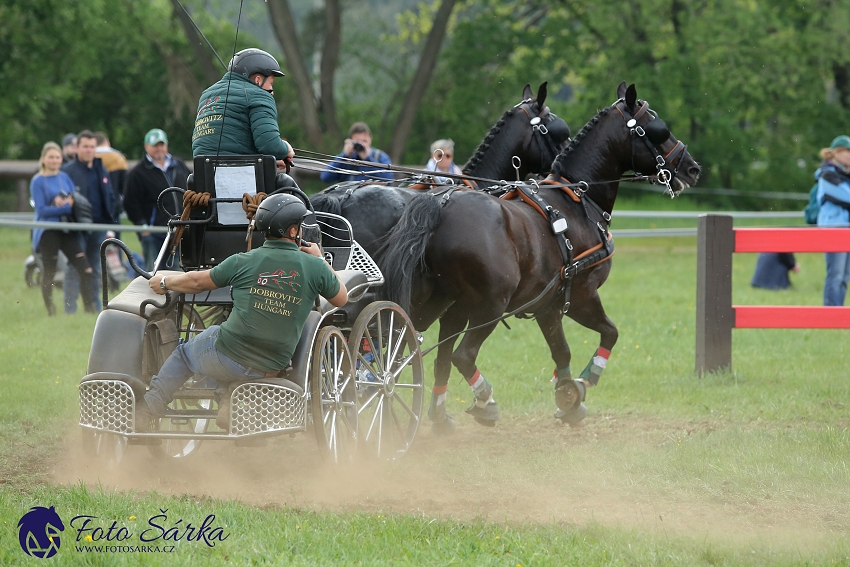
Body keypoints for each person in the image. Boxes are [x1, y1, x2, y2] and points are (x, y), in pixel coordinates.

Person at [138, 194, 349, 430]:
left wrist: (165, 281)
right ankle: (229, 397)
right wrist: (320, 258)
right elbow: (342, 297)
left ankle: (149, 407)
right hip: (270, 368)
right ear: (292, 232)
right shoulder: (314, 267)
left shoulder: (243, 261)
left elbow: (197, 282)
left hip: (227, 356)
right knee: (223, 343)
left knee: (186, 354)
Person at [191, 47, 295, 170]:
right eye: (271, 83)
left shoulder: (207, 95)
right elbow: (270, 146)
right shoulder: (259, 95)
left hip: (203, 175)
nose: (272, 91)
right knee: (287, 185)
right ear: (258, 80)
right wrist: (286, 149)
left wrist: (271, 160)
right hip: (239, 176)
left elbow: (233, 141)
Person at [30, 142, 96, 316]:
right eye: (51, 157)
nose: (54, 160)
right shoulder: (38, 181)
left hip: (66, 229)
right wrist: (62, 207)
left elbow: (74, 200)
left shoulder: (64, 177)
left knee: (86, 268)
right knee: (50, 271)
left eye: (57, 157)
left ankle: (89, 309)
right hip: (48, 230)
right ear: (44, 159)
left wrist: (68, 205)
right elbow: (42, 210)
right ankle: (50, 309)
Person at [61, 129, 117, 313]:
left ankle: (93, 306)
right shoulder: (67, 172)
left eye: (92, 147)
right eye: (85, 146)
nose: (89, 150)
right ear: (77, 148)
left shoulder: (101, 169)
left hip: (99, 225)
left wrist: (112, 217)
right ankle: (70, 309)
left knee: (95, 268)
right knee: (74, 267)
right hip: (76, 227)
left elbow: (109, 196)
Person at [124, 129, 191, 271]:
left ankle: (175, 294)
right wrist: (142, 225)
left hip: (180, 228)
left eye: (161, 144)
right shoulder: (137, 173)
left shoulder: (178, 165)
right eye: (155, 145)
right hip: (154, 232)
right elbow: (131, 202)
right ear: (146, 147)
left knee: (177, 271)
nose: (159, 148)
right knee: (152, 271)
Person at [815, 135, 850, 306]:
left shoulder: (845, 175)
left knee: (844, 276)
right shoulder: (827, 175)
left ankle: (839, 315)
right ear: (837, 153)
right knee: (835, 275)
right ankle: (831, 315)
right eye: (848, 152)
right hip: (834, 228)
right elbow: (847, 197)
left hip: (846, 229)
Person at [320, 122, 393, 184]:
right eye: (358, 142)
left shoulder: (380, 156)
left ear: (370, 139)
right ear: (351, 141)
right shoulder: (346, 157)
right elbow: (325, 178)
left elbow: (388, 182)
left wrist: (368, 159)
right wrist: (344, 156)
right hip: (348, 198)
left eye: (364, 141)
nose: (361, 145)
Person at [94, 131, 128, 221]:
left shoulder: (90, 158)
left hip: (95, 206)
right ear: (107, 142)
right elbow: (124, 186)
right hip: (114, 205)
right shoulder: (118, 158)